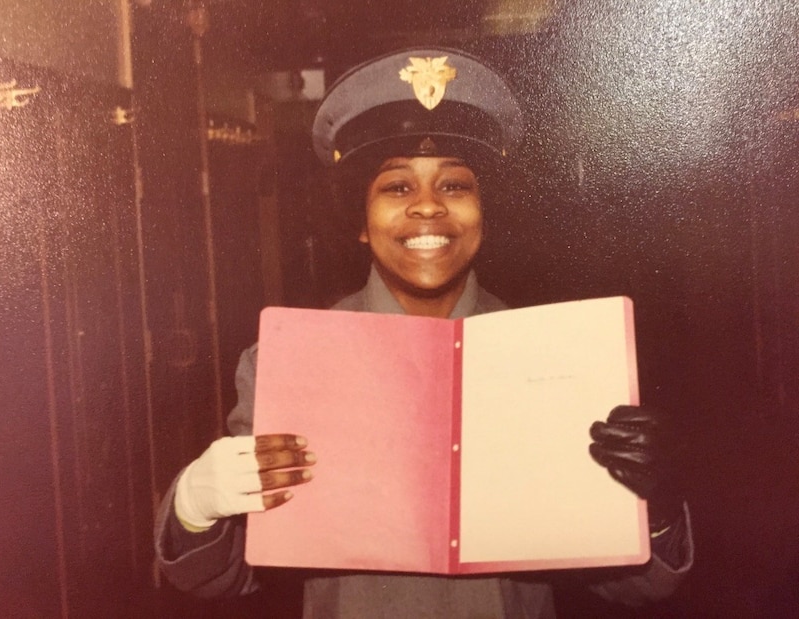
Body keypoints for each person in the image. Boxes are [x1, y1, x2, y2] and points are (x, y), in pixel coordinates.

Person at [155, 47, 693, 618]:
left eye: (456, 186)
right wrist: (194, 504)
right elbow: (223, 575)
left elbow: (639, 586)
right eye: (397, 188)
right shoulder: (288, 361)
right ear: (359, 222)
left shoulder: (561, 356)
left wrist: (654, 509)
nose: (429, 208)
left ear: (485, 212)